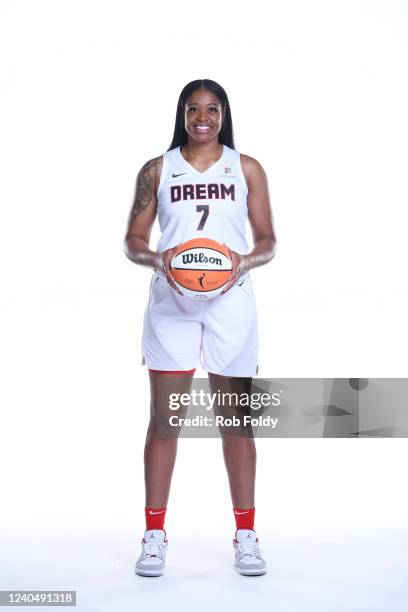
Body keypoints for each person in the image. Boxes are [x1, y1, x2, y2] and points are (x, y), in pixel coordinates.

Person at [124, 79, 277, 577]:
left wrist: (243, 261)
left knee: (236, 422)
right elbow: (132, 239)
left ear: (224, 114)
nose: (203, 118)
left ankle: (247, 534)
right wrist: (158, 257)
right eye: (194, 109)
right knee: (166, 422)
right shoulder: (157, 169)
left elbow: (269, 240)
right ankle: (153, 534)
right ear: (183, 114)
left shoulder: (246, 167)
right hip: (172, 302)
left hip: (230, 300)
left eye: (212, 109)